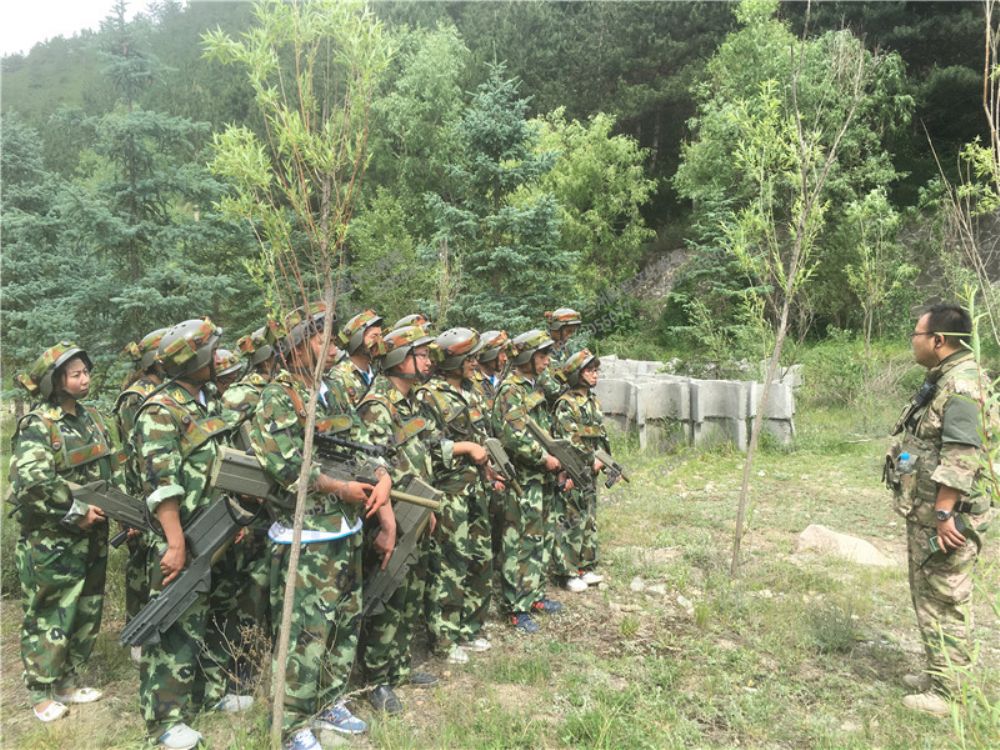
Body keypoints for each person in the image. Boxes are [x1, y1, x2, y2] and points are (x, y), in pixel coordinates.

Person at [250, 303, 391, 750]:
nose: (331, 347)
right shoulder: (279, 396)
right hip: (307, 538)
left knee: (341, 624)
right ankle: (293, 723)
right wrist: (338, 487)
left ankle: (329, 702)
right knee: (304, 635)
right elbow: (285, 465)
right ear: (296, 347)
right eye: (320, 338)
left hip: (345, 531)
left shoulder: (333, 390)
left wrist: (382, 476)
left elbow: (362, 443)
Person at [133, 318, 252, 750]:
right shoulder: (160, 411)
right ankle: (165, 719)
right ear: (195, 360)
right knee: (175, 622)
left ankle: (209, 692)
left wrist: (234, 521)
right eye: (211, 352)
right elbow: (162, 484)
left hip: (218, 527)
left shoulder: (208, 400)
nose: (218, 358)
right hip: (183, 533)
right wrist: (175, 542)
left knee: (216, 613)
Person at [886, 304, 996, 717]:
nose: (913, 343)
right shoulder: (945, 379)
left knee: (945, 598)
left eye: (916, 335)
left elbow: (962, 453)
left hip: (948, 517)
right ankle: (939, 673)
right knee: (929, 594)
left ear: (938, 340)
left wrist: (946, 513)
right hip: (929, 511)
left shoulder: (962, 386)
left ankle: (950, 693)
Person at [10, 342, 123, 722]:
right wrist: (75, 513)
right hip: (53, 541)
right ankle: (40, 691)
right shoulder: (38, 425)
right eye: (75, 374)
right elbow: (33, 482)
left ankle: (67, 681)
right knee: (49, 612)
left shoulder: (90, 418)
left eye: (86, 372)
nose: (85, 379)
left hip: (92, 535)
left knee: (85, 609)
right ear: (55, 381)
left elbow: (108, 467)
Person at [357, 324, 446, 714]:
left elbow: (417, 458)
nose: (427, 361)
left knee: (409, 592)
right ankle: (377, 679)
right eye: (420, 354)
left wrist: (426, 508)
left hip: (416, 510)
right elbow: (372, 465)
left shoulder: (410, 404)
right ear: (398, 358)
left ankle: (397, 666)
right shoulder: (378, 405)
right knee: (387, 593)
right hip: (390, 515)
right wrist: (387, 522)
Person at [415, 328, 494, 665]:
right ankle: (444, 639)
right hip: (449, 494)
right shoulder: (428, 396)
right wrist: (465, 447)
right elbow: (424, 446)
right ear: (454, 361)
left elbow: (483, 436)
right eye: (470, 358)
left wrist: (487, 463)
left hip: (475, 489)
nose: (475, 363)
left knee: (479, 559)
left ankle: (469, 628)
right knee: (449, 566)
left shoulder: (472, 392)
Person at [491, 329, 565, 634]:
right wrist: (544, 458)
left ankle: (534, 595)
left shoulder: (534, 387)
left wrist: (556, 457)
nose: (547, 361)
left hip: (541, 478)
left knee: (541, 537)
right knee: (519, 541)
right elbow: (514, 437)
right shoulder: (511, 390)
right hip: (522, 479)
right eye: (542, 355)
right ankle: (515, 606)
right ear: (526, 357)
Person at [115, 328, 167, 651]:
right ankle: (137, 635)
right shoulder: (136, 397)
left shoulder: (161, 388)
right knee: (141, 565)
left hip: (154, 488)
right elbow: (134, 454)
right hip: (140, 491)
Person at [552, 349, 608, 592]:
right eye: (589, 370)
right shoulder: (566, 404)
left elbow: (600, 435)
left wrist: (604, 459)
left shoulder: (593, 401)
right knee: (571, 520)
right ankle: (567, 572)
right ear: (576, 374)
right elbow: (569, 442)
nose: (595, 375)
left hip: (591, 470)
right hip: (575, 471)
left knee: (588, 519)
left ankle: (585, 566)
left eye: (596, 370)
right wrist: (589, 462)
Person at [330, 309, 383, 405]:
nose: (379, 342)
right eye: (374, 336)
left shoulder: (379, 373)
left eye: (381, 336)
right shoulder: (339, 377)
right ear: (357, 339)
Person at [539, 307, 582, 404]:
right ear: (556, 329)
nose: (570, 335)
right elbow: (551, 390)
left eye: (573, 332)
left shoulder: (565, 348)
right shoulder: (540, 348)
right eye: (568, 331)